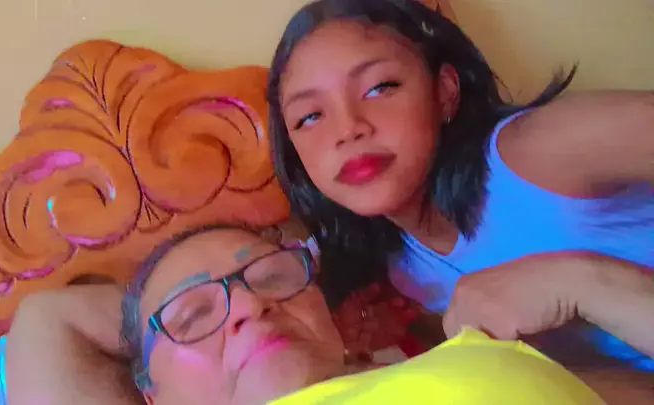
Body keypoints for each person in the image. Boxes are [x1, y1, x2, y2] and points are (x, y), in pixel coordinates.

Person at [267, 0, 654, 369]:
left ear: (445, 92)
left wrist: (582, 282)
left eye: (380, 87)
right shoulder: (399, 267)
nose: (348, 128)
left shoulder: (538, 150)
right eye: (310, 117)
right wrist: (407, 337)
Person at [6, 225, 654, 405]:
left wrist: (584, 280)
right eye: (192, 314)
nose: (252, 305)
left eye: (270, 277)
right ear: (152, 396)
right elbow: (45, 318)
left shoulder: (482, 352)